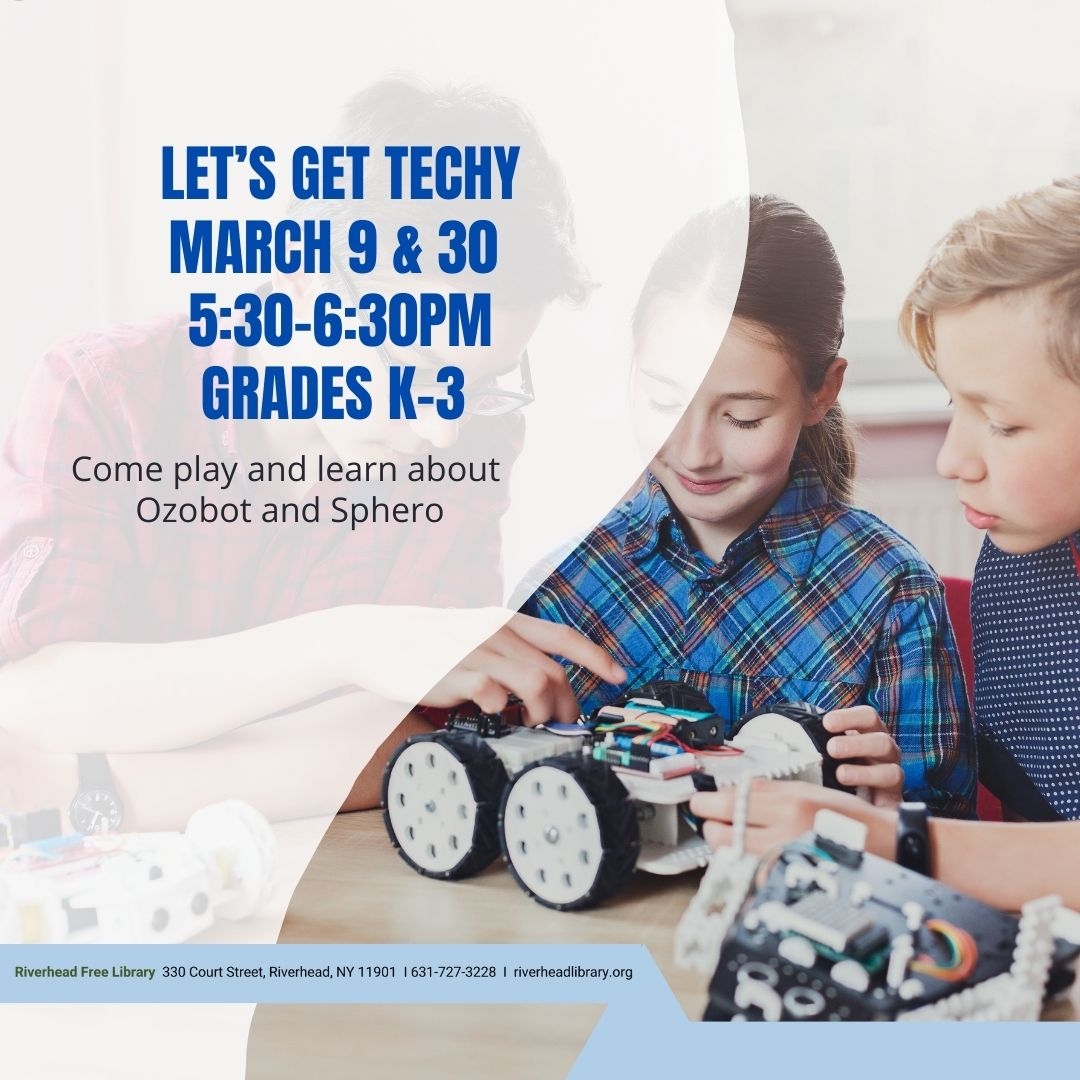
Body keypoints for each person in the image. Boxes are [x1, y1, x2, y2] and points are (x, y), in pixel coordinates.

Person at [0, 77, 625, 831]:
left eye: (479, 383)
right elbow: (33, 697)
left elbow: (414, 736)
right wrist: (349, 642)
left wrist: (81, 790)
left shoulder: (473, 434)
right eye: (412, 366)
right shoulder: (103, 392)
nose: (439, 432)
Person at [691, 176, 1080, 910]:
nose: (951, 460)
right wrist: (888, 803)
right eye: (951, 404)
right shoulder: (1023, 563)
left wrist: (889, 838)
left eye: (999, 422)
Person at [521, 196, 976, 817]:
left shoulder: (889, 591)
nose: (695, 451)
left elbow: (946, 836)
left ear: (822, 390)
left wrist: (893, 814)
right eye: (662, 400)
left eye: (743, 417)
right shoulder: (564, 577)